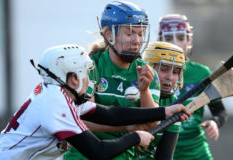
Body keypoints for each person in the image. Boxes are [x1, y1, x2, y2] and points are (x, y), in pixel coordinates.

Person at [0, 44, 191, 160]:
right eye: (85, 73)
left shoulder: (64, 95)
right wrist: (136, 136)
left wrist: (165, 111)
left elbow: (111, 114)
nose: (88, 79)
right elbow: (98, 151)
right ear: (72, 77)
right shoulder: (56, 104)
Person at [64, 1, 161, 160]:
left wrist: (144, 91)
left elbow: (151, 124)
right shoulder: (89, 66)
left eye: (141, 33)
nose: (137, 40)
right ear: (109, 34)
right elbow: (83, 120)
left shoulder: (147, 73)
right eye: (130, 33)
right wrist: (129, 126)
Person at [158, 14, 229, 160]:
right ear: (159, 41)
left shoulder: (202, 73)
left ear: (189, 40)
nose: (175, 44)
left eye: (180, 37)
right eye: (168, 38)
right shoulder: (151, 72)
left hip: (197, 153)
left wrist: (215, 122)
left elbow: (220, 110)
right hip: (162, 153)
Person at [132, 41, 186, 160]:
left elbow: (164, 156)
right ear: (148, 67)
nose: (170, 77)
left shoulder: (174, 102)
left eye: (175, 72)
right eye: (164, 69)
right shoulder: (132, 92)